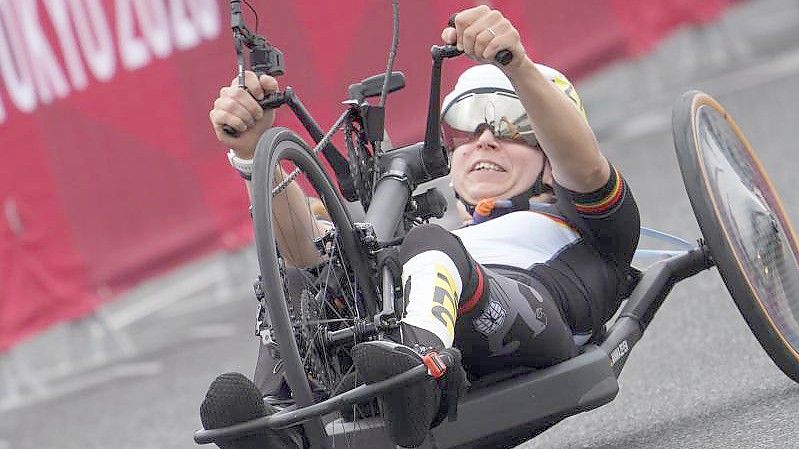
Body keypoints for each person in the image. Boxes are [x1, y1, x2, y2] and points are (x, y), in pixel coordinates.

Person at [205, 5, 640, 449]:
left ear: (549, 159)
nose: (483, 138)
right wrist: (256, 152)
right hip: (398, 343)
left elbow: (584, 166)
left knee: (429, 244)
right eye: (465, 128)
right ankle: (276, 422)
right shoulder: (438, 237)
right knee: (303, 273)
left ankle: (419, 369)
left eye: (513, 126)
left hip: (529, 318)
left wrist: (516, 66)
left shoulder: (587, 224)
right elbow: (307, 254)